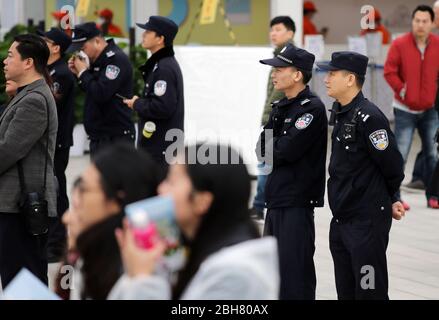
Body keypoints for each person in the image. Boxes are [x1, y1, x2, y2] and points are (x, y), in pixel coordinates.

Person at [108, 144, 279, 300]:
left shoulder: (237, 274)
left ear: (201, 201)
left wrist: (143, 279)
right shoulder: (195, 248)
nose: (161, 189)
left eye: (171, 181)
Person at [318, 51, 405, 299]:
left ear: (350, 79)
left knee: (369, 292)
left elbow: (393, 166)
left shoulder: (370, 118)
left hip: (365, 223)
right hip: (342, 220)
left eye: (332, 73)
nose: (326, 78)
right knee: (346, 291)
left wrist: (391, 197)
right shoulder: (342, 112)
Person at [257, 45, 327, 300]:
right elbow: (260, 150)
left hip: (296, 202)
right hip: (276, 199)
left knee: (295, 273)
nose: (274, 74)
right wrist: (273, 146)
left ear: (297, 74)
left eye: (280, 68)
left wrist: (273, 146)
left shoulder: (311, 109)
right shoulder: (281, 107)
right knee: (274, 272)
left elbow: (285, 151)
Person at [59, 143, 160, 299]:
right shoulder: (90, 256)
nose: (66, 218)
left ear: (116, 201)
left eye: (84, 190)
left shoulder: (142, 279)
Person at [0, 34, 58, 287]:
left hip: (20, 206)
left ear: (28, 62)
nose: (5, 61)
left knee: (23, 282)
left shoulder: (34, 100)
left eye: (11, 55)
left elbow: (7, 151)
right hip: (14, 205)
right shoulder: (27, 95)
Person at [384, 5, 439, 209]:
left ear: (432, 23)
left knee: (433, 154)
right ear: (412, 22)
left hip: (430, 109)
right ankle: (395, 196)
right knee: (400, 153)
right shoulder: (399, 44)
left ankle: (434, 195)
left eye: (425, 21)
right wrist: (402, 89)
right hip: (404, 108)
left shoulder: (438, 44)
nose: (421, 25)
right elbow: (389, 71)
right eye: (417, 20)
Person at [250, 16, 296, 221]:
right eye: (272, 30)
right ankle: (261, 205)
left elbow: (279, 94)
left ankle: (260, 205)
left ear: (290, 33)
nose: (273, 33)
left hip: (277, 119)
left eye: (278, 29)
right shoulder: (279, 56)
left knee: (266, 162)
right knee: (266, 161)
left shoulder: (290, 58)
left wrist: (270, 117)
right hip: (272, 118)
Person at [123, 16, 184, 168]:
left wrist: (137, 103)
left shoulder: (164, 68)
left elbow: (162, 107)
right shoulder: (161, 64)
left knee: (156, 190)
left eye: (148, 32)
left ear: (160, 39)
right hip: (159, 146)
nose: (143, 35)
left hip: (160, 148)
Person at [67, 22, 135, 157]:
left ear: (97, 41)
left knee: (114, 178)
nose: (80, 53)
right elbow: (91, 90)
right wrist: (78, 74)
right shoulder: (98, 60)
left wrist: (83, 73)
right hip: (100, 136)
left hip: (115, 138)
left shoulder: (114, 59)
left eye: (83, 47)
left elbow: (101, 92)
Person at [37, 27, 76, 265]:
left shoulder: (60, 74)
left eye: (46, 40)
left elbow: (48, 104)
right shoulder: (50, 70)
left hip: (58, 143)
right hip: (50, 141)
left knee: (57, 193)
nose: (42, 42)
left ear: (56, 48)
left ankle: (58, 243)